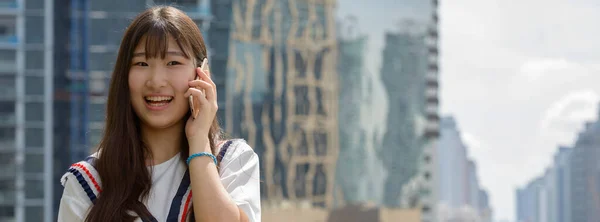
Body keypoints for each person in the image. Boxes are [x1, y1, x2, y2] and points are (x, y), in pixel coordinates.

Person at [57, 6, 261, 222]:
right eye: (142, 64)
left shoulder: (232, 161)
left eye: (173, 63)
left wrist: (199, 140)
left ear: (202, 73)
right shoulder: (88, 182)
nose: (156, 81)